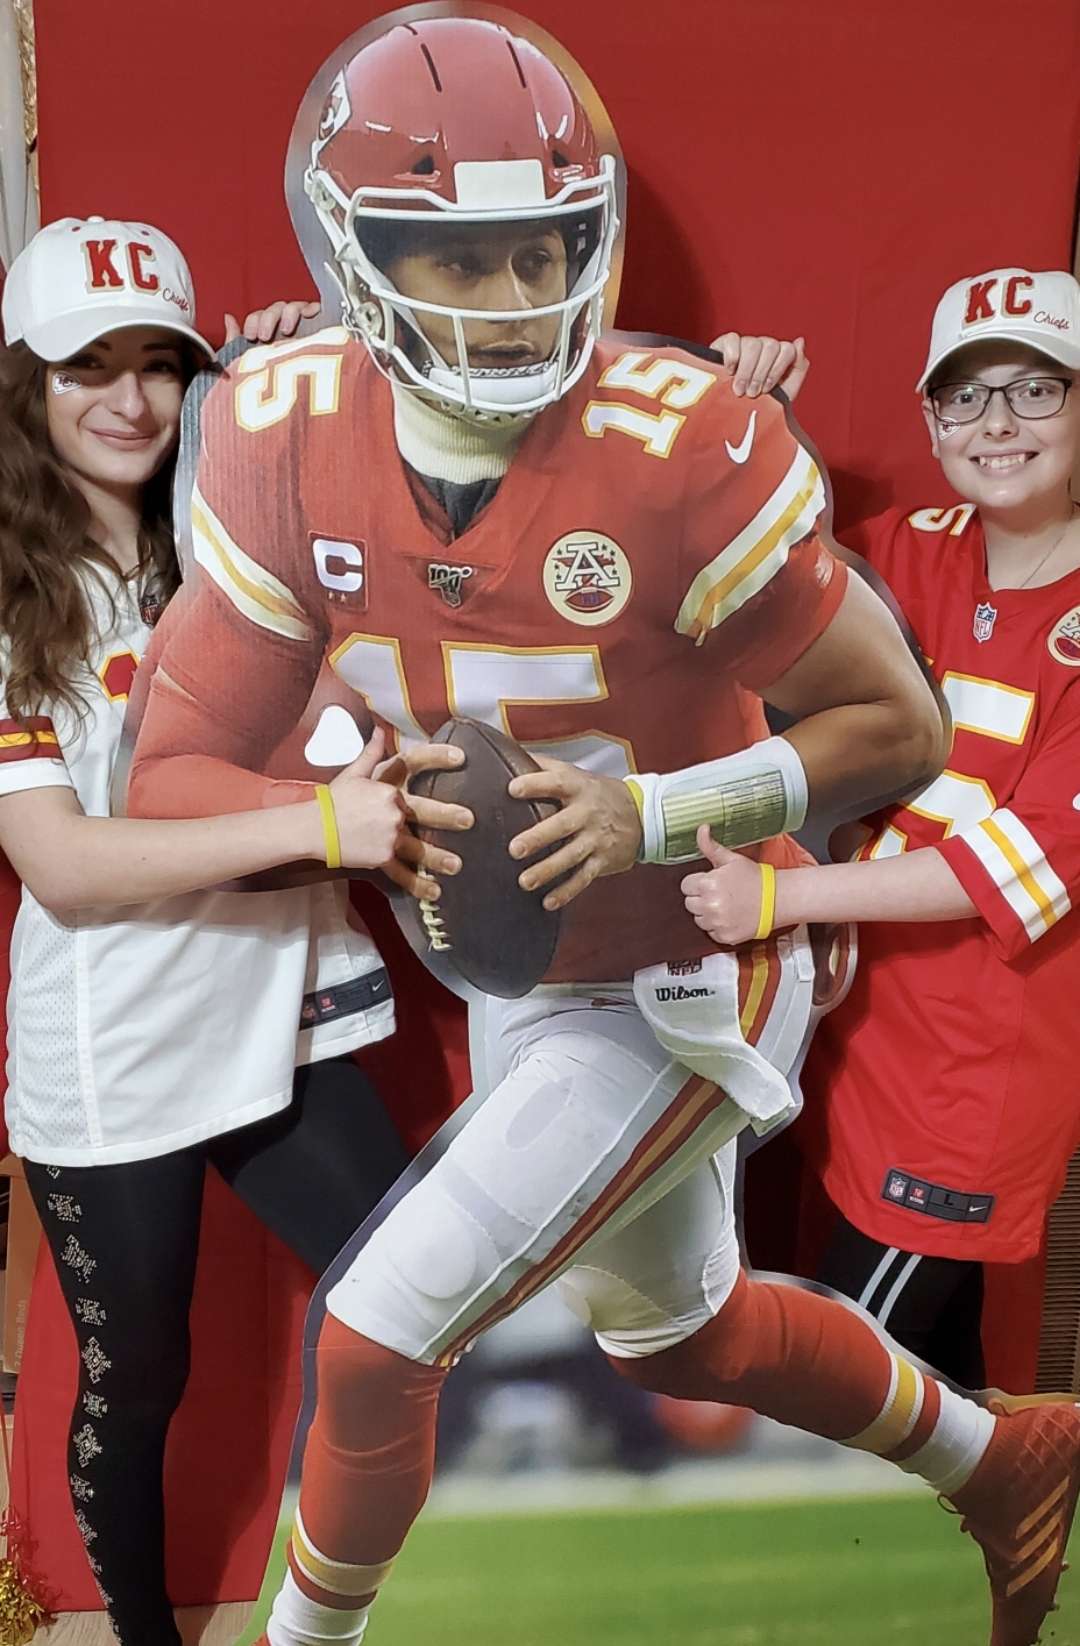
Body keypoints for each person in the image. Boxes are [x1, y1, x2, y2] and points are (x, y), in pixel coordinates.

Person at [120, 22, 1078, 1646]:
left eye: (541, 251)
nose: (509, 300)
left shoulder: (683, 443)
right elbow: (174, 776)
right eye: (457, 256)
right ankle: (1005, 1462)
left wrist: (654, 805)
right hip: (519, 965)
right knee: (680, 1333)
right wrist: (341, 817)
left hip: (697, 952)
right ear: (355, 250)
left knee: (374, 1329)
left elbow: (892, 728)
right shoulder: (278, 432)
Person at [0, 214, 466, 1646]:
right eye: (89, 366)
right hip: (118, 1042)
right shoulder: (12, 598)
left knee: (418, 1312)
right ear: (26, 384)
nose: (128, 400)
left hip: (287, 1008)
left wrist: (305, 386)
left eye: (162, 364)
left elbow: (449, 498)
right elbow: (64, 867)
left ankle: (367, 1613)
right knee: (141, 1377)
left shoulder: (248, 536)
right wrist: (320, 831)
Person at [693, 272, 1080, 1390]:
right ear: (930, 418)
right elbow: (776, 585)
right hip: (862, 1049)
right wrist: (752, 420)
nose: (997, 422)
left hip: (975, 1076)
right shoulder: (913, 544)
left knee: (838, 1386)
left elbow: (1003, 866)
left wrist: (781, 900)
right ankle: (1006, 1558)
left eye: (1034, 388)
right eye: (965, 397)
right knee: (939, 1378)